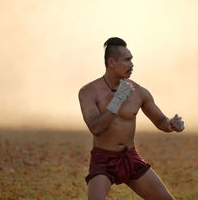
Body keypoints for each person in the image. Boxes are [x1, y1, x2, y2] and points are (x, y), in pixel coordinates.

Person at [78, 37, 185, 200]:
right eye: (127, 60)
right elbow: (96, 128)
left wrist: (171, 125)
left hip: (130, 157)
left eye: (132, 60)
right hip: (103, 159)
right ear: (111, 62)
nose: (131, 64)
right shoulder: (88, 91)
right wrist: (117, 100)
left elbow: (161, 121)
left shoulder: (139, 91)